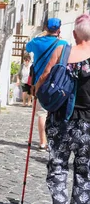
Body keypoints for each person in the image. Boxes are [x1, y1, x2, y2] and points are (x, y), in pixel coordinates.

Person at [36, 14, 90, 204]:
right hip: (88, 124)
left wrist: (36, 91)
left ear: (75, 34)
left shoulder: (62, 51)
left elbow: (45, 76)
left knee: (58, 165)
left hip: (60, 121)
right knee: (85, 169)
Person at [26, 18, 68, 150]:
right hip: (58, 83)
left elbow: (27, 47)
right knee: (55, 113)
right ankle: (53, 141)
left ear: (45, 27)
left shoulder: (37, 41)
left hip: (40, 82)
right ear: (59, 29)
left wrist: (41, 34)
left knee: (42, 113)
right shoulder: (63, 43)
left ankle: (43, 141)